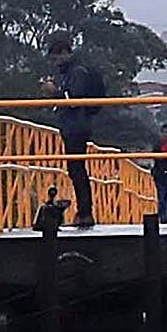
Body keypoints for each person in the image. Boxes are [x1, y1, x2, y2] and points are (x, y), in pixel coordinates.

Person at [45, 32, 109, 226]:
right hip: (72, 126)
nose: (56, 63)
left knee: (77, 170)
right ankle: (83, 212)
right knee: (76, 170)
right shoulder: (70, 73)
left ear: (66, 53)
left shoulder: (77, 72)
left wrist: (54, 93)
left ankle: (85, 213)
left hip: (77, 127)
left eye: (57, 58)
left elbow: (74, 100)